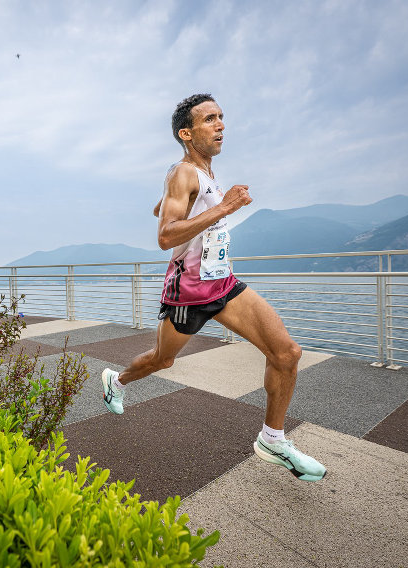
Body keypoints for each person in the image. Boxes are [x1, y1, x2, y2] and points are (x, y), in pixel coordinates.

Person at [101, 94, 326, 482]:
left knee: (286, 353)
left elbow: (165, 210)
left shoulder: (200, 174)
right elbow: (165, 236)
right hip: (187, 292)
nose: (221, 124)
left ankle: (272, 440)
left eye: (221, 117)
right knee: (162, 359)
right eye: (210, 119)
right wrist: (225, 207)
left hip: (222, 283)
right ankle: (115, 381)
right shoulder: (183, 172)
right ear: (187, 133)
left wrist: (180, 202)